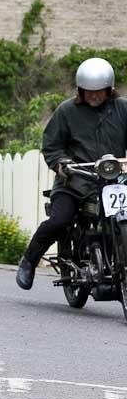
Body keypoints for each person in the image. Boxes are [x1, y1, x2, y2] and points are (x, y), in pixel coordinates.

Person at [17, 57, 127, 289]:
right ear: (81, 90)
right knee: (59, 220)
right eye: (89, 91)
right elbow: (51, 145)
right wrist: (62, 164)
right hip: (75, 181)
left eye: (100, 91)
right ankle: (29, 261)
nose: (94, 96)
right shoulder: (67, 111)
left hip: (113, 182)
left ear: (110, 89)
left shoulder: (122, 109)